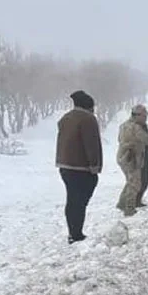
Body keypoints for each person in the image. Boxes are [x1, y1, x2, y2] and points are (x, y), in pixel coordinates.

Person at [55, 90, 104, 243]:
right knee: (80, 201)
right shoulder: (88, 119)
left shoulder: (65, 118)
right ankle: (76, 234)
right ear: (89, 106)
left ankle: (73, 231)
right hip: (81, 167)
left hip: (64, 166)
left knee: (72, 199)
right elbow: (91, 143)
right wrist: (94, 165)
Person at [116, 105, 148, 216]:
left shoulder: (123, 125)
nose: (146, 118)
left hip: (123, 156)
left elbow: (120, 139)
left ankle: (121, 203)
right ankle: (129, 209)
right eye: (144, 116)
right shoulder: (136, 127)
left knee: (130, 181)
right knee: (135, 183)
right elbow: (147, 139)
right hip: (132, 158)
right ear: (137, 115)